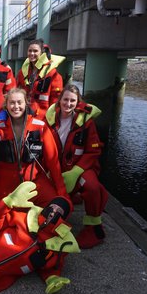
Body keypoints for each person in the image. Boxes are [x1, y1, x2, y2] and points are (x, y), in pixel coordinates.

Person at [44, 84, 108, 248]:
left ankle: (94, 228)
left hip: (80, 168)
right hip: (56, 168)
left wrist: (76, 172)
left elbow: (93, 151)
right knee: (43, 193)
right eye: (65, 99)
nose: (68, 104)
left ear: (78, 102)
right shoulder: (49, 120)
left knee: (93, 187)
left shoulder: (86, 122)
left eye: (72, 100)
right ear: (59, 100)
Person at [0, 88, 68, 209]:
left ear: (26, 103)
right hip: (8, 186)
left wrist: (61, 191)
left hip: (35, 182)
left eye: (19, 102)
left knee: (54, 208)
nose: (16, 106)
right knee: (4, 223)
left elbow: (53, 161)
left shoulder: (40, 128)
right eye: (12, 103)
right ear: (6, 105)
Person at [16, 39, 65, 119]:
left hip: (43, 118)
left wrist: (52, 119)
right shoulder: (22, 73)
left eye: (35, 51)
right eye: (30, 51)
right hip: (23, 116)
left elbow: (56, 100)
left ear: (42, 53)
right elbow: (16, 91)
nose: (32, 53)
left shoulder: (53, 74)